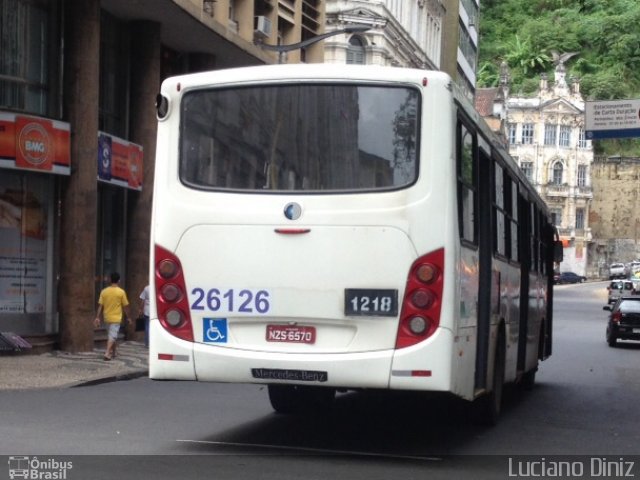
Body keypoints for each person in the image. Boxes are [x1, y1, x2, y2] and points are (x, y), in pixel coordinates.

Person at [94, 272, 132, 360]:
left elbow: (100, 305)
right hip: (116, 318)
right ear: (119, 280)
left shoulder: (104, 291)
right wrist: (129, 317)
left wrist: (97, 317)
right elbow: (125, 306)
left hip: (106, 317)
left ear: (110, 280)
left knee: (112, 335)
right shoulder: (121, 292)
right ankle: (107, 353)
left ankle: (114, 352)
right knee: (112, 336)